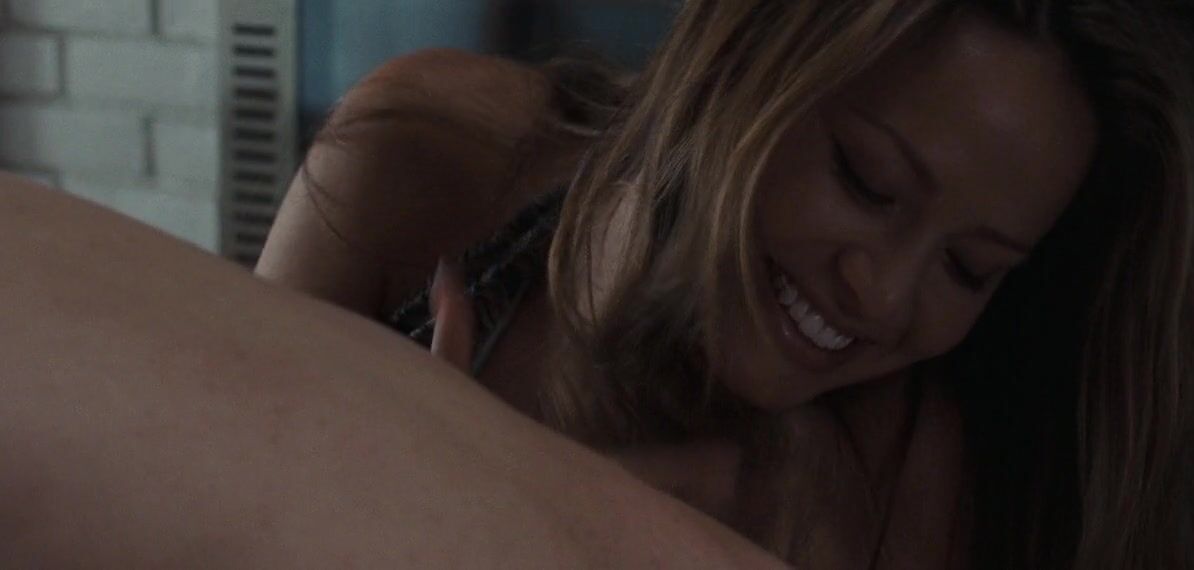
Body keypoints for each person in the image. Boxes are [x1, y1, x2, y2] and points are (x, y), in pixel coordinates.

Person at [259, 0, 1194, 568]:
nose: (882, 295)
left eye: (968, 268)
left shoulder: (918, 489)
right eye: (867, 183)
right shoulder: (423, 161)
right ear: (741, 56)